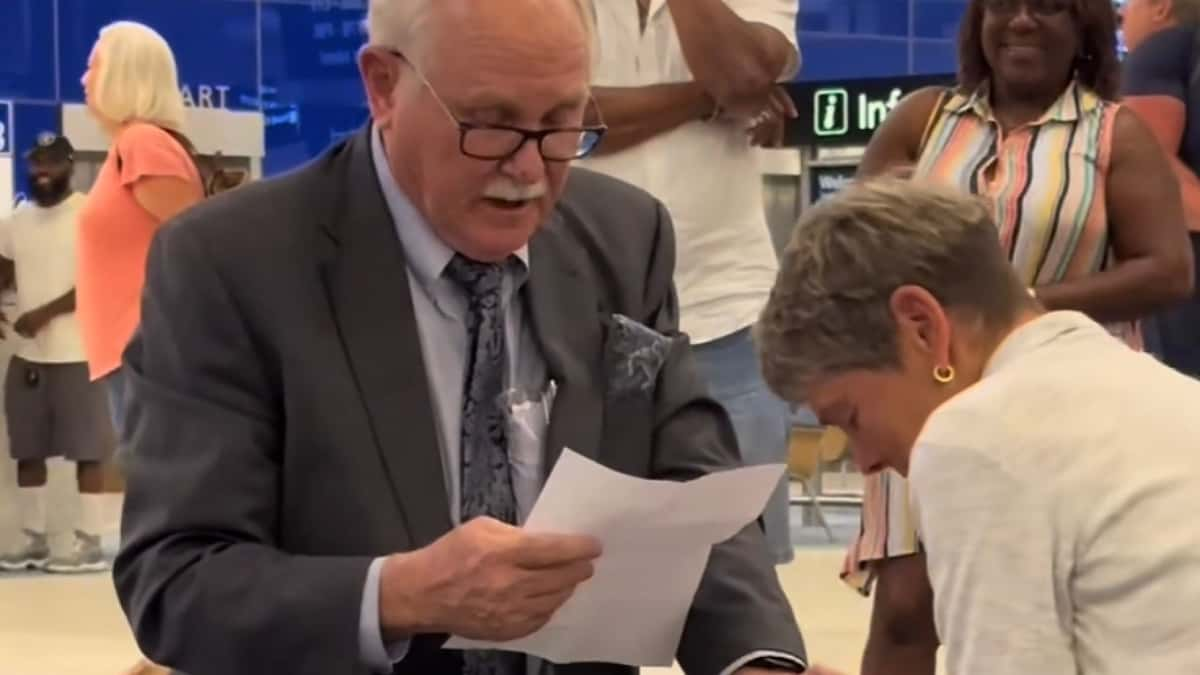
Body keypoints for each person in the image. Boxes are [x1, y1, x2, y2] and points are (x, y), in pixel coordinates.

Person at [111, 1, 835, 674]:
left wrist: (758, 659)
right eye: (489, 123)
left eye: (562, 124)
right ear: (383, 86)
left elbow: (692, 490)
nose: (528, 170)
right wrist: (397, 593)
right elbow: (176, 576)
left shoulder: (624, 236)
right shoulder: (233, 263)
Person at [839, 1, 1194, 672]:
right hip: (922, 390)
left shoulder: (1116, 133)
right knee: (907, 609)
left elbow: (1168, 270)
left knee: (1043, 597)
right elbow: (856, 244)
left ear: (1085, 30)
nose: (1022, 21)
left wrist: (1014, 308)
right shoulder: (923, 119)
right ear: (977, 25)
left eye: (1050, 7)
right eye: (1003, 5)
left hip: (1062, 400)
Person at [758, 176, 1200, 673]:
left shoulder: (976, 437)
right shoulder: (1156, 391)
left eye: (851, 418)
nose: (866, 462)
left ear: (922, 326)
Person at [575, 0, 800, 565]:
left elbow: (745, 78)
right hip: (584, 310)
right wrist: (706, 98)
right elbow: (572, 114)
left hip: (730, 313)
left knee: (745, 567)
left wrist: (734, 90)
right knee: (592, 570)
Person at [75, 20, 204, 430]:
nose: (84, 78)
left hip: (149, 352)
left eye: (94, 67)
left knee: (163, 486)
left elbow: (199, 246)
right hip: (134, 353)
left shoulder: (141, 143)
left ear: (122, 75)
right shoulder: (129, 146)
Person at [0, 133, 114, 574]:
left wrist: (43, 313)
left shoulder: (87, 214)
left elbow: (97, 281)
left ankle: (88, 541)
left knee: (88, 451)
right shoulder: (17, 220)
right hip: (29, 358)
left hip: (79, 353)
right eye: (36, 163)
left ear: (68, 164)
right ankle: (34, 538)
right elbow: (5, 269)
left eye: (50, 162)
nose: (41, 170)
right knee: (28, 451)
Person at [1120, 0, 1200, 376]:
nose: (1121, 17)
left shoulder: (1163, 48)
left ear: (1161, 8)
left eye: (1129, 5)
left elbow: (1151, 163)